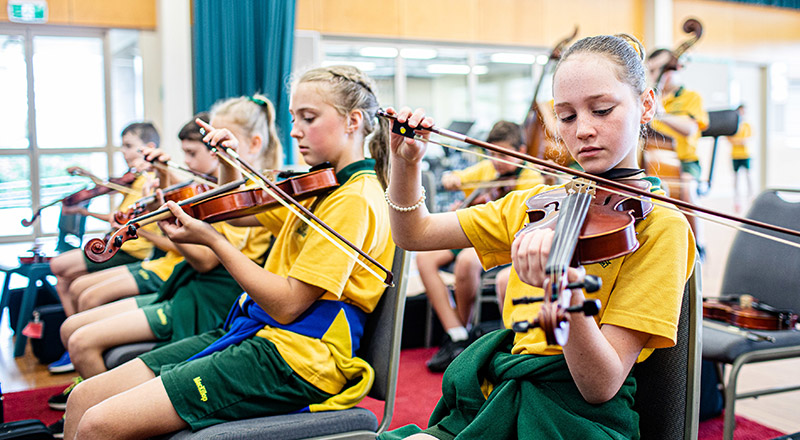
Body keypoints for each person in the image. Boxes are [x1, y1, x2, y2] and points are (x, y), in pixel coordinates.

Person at [381, 33, 695, 439]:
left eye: (601, 110)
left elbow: (600, 386)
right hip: (502, 394)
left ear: (647, 104)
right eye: (565, 116)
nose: (582, 130)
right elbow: (414, 233)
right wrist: (406, 165)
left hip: (576, 419)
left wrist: (564, 294)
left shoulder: (660, 228)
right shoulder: (538, 205)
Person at [62, 65, 395, 440]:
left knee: (97, 424)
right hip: (255, 334)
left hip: (298, 360)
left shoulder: (355, 199)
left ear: (353, 121)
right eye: (293, 118)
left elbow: (287, 305)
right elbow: (235, 214)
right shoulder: (320, 187)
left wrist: (212, 242)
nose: (295, 130)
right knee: (84, 399)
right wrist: (225, 161)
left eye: (309, 118)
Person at [44, 100, 278, 435]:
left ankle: (112, 418)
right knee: (78, 322)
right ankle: (100, 411)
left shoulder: (263, 195)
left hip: (212, 297)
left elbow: (207, 258)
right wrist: (166, 194)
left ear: (253, 144)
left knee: (82, 333)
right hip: (191, 287)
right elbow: (217, 221)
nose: (196, 159)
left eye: (212, 146)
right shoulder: (225, 190)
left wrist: (165, 225)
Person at [46, 115, 220, 376]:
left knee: (85, 293)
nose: (186, 162)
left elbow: (202, 257)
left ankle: (87, 367)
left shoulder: (218, 196)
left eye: (191, 153)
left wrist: (152, 225)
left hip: (166, 268)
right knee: (76, 297)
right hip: (168, 267)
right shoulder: (190, 185)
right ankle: (84, 364)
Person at [418, 121, 543, 372]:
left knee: (465, 260)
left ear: (520, 150)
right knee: (425, 258)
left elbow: (519, 222)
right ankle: (457, 333)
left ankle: (461, 339)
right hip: (480, 234)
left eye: (503, 154)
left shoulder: (531, 178)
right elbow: (454, 178)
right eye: (492, 153)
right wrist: (453, 181)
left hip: (508, 242)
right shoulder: (487, 169)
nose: (497, 161)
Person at [50, 122, 161, 317]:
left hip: (130, 248)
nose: (123, 151)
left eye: (128, 146)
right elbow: (109, 193)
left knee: (58, 266)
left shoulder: (149, 180)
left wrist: (85, 213)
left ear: (149, 148)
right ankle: (73, 330)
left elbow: (122, 219)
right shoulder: (135, 178)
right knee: (64, 281)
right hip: (118, 242)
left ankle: (77, 329)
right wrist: (87, 175)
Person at [646, 48, 709, 258]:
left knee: (687, 185)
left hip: (685, 162)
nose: (661, 75)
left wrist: (661, 115)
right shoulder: (647, 98)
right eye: (654, 70)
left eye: (666, 69)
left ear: (678, 68)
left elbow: (690, 128)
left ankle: (697, 246)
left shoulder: (691, 97)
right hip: (652, 161)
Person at [727, 104, 753, 213]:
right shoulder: (733, 126)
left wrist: (738, 141)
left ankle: (751, 200)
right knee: (736, 180)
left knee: (748, 178)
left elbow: (746, 140)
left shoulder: (747, 126)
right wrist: (739, 141)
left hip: (745, 155)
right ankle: (737, 203)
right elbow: (730, 139)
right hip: (735, 155)